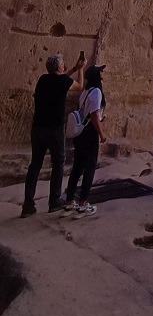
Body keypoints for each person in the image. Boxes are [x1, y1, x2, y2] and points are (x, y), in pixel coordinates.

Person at [21, 52, 86, 218]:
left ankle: (28, 205)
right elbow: (79, 86)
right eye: (63, 64)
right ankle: (54, 201)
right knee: (59, 162)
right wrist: (81, 69)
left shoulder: (43, 79)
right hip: (54, 128)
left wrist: (73, 68)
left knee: (35, 165)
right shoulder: (62, 81)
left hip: (38, 128)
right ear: (59, 67)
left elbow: (61, 79)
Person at [63, 65, 107, 218]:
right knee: (90, 167)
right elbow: (94, 116)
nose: (103, 73)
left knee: (77, 166)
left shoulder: (85, 91)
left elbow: (87, 112)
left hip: (80, 132)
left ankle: (69, 202)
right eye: (101, 71)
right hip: (89, 133)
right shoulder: (96, 92)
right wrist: (101, 133)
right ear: (97, 75)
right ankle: (83, 204)